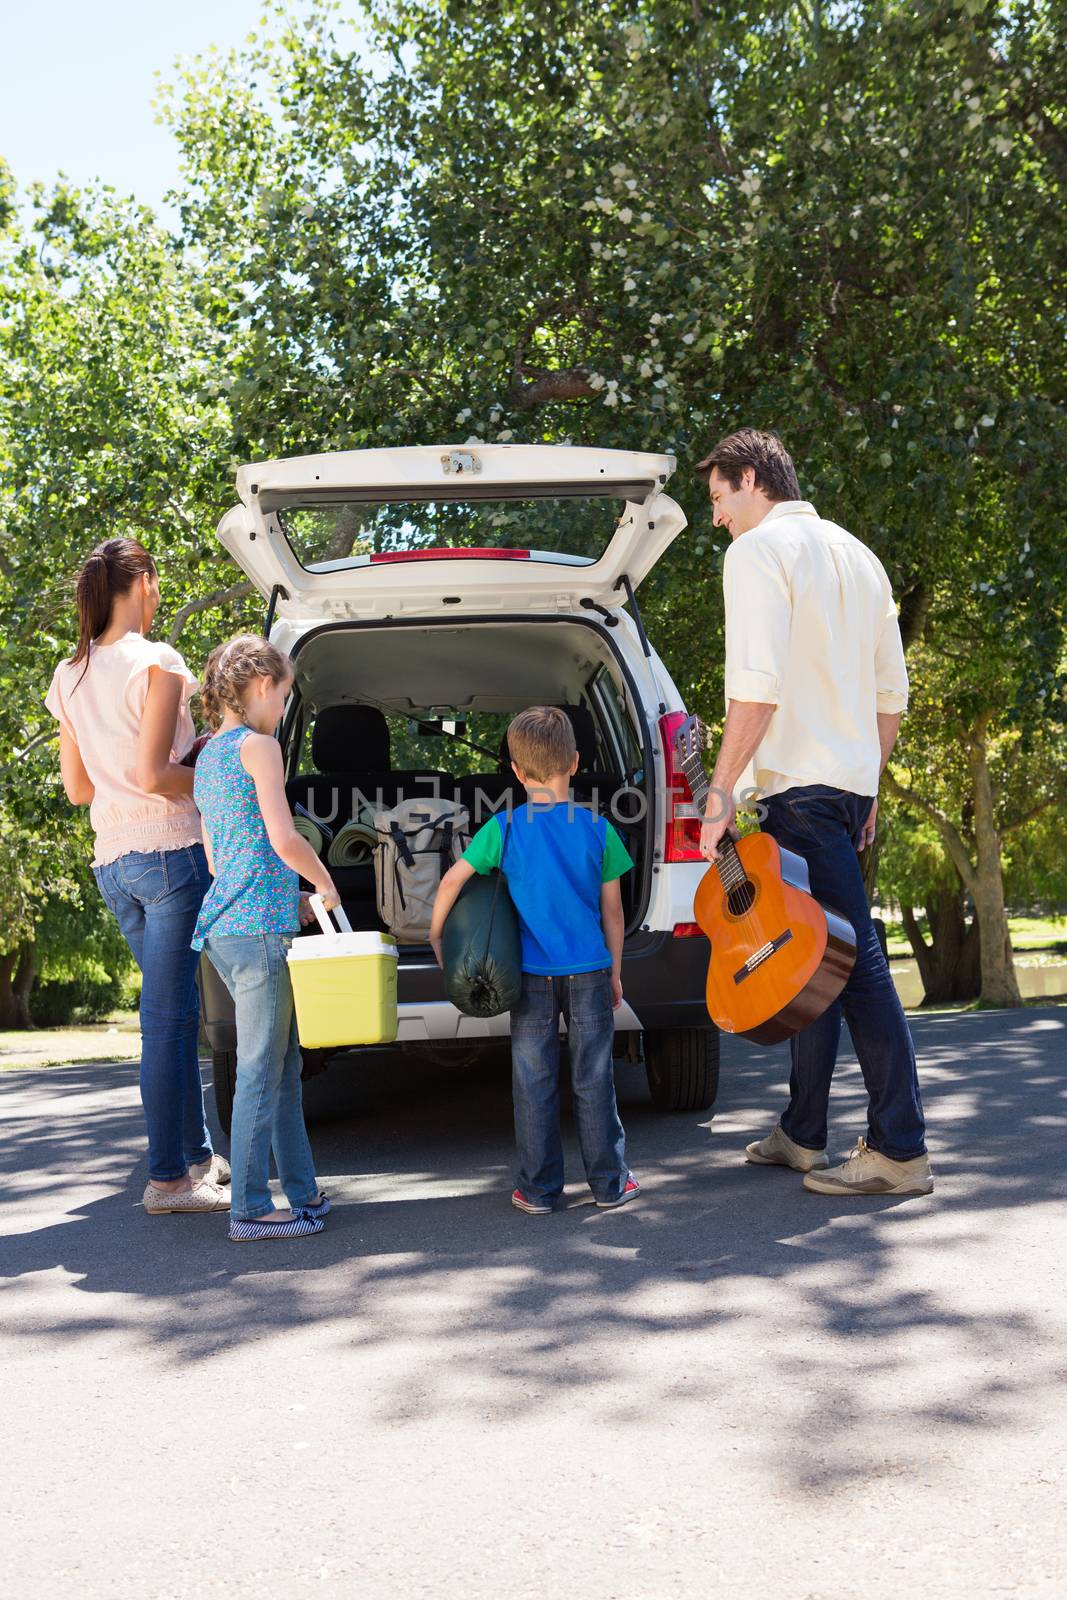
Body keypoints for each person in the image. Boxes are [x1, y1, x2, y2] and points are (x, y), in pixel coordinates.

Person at [694, 428, 932, 1197]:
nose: (717, 518)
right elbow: (889, 696)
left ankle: (898, 1149)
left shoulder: (758, 552)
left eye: (718, 498)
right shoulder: (858, 556)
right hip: (845, 783)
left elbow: (755, 685)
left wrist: (721, 789)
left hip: (798, 785)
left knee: (853, 961)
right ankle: (802, 1133)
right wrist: (867, 788)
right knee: (815, 958)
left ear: (751, 478)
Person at [45, 539, 228, 1217]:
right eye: (156, 585)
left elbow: (76, 788)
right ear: (141, 583)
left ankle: (196, 1162)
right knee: (168, 1023)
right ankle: (167, 1181)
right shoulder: (156, 662)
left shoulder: (70, 672)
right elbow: (157, 776)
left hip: (114, 863)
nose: (159, 596)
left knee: (174, 1017)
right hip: (170, 854)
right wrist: (213, 769)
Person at [429, 706, 640, 1214]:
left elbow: (453, 881)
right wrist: (615, 970)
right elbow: (613, 911)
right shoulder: (598, 829)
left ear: (518, 772)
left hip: (531, 977)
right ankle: (609, 1185)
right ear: (575, 762)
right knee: (594, 1078)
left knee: (534, 1081)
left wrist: (438, 937)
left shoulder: (503, 829)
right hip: (589, 971)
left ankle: (540, 1190)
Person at [192, 635, 340, 1242]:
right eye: (282, 696)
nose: (282, 709)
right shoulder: (261, 748)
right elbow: (283, 839)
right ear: (259, 687)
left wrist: (293, 899)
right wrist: (326, 884)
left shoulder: (206, 757)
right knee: (260, 1069)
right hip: (257, 935)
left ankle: (302, 1192)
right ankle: (249, 1211)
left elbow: (223, 854)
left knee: (281, 1064)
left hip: (229, 926)